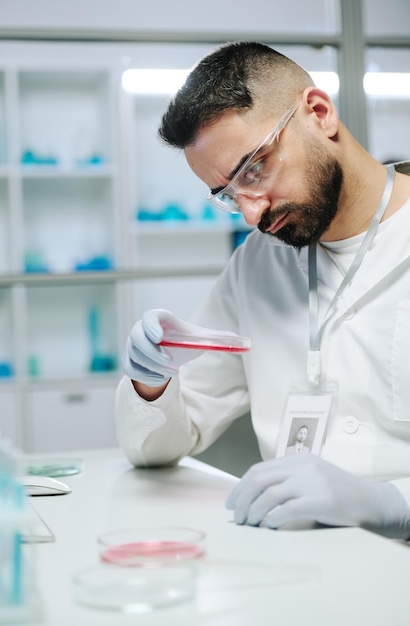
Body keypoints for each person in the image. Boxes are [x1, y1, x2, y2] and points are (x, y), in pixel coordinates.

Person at [116, 41, 410, 539]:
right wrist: (153, 382)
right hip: (299, 572)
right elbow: (159, 448)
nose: (252, 213)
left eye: (254, 169)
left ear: (318, 113)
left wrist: (391, 504)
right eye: (229, 196)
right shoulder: (258, 262)